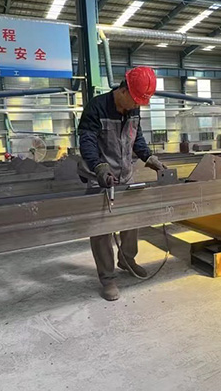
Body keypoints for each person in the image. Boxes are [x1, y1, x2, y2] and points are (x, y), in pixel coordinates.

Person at [78, 66, 167, 301]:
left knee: (131, 221)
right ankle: (107, 278)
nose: (136, 105)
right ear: (123, 90)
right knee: (102, 230)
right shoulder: (96, 107)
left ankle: (127, 260)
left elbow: (136, 138)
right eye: (135, 100)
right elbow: (87, 141)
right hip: (101, 177)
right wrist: (98, 166)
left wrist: (148, 157)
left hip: (126, 175)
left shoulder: (133, 109)